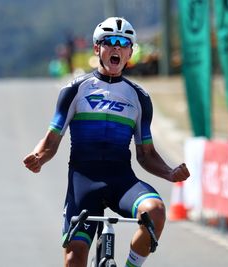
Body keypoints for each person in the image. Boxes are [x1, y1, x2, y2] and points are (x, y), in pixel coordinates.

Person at [23, 17, 190, 267]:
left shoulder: (140, 98)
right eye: (109, 41)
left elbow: (146, 154)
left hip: (121, 182)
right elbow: (51, 140)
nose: (116, 47)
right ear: (96, 48)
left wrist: (169, 172)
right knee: (74, 258)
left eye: (123, 43)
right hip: (84, 183)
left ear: (130, 52)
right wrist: (38, 157)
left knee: (155, 211)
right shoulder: (75, 90)